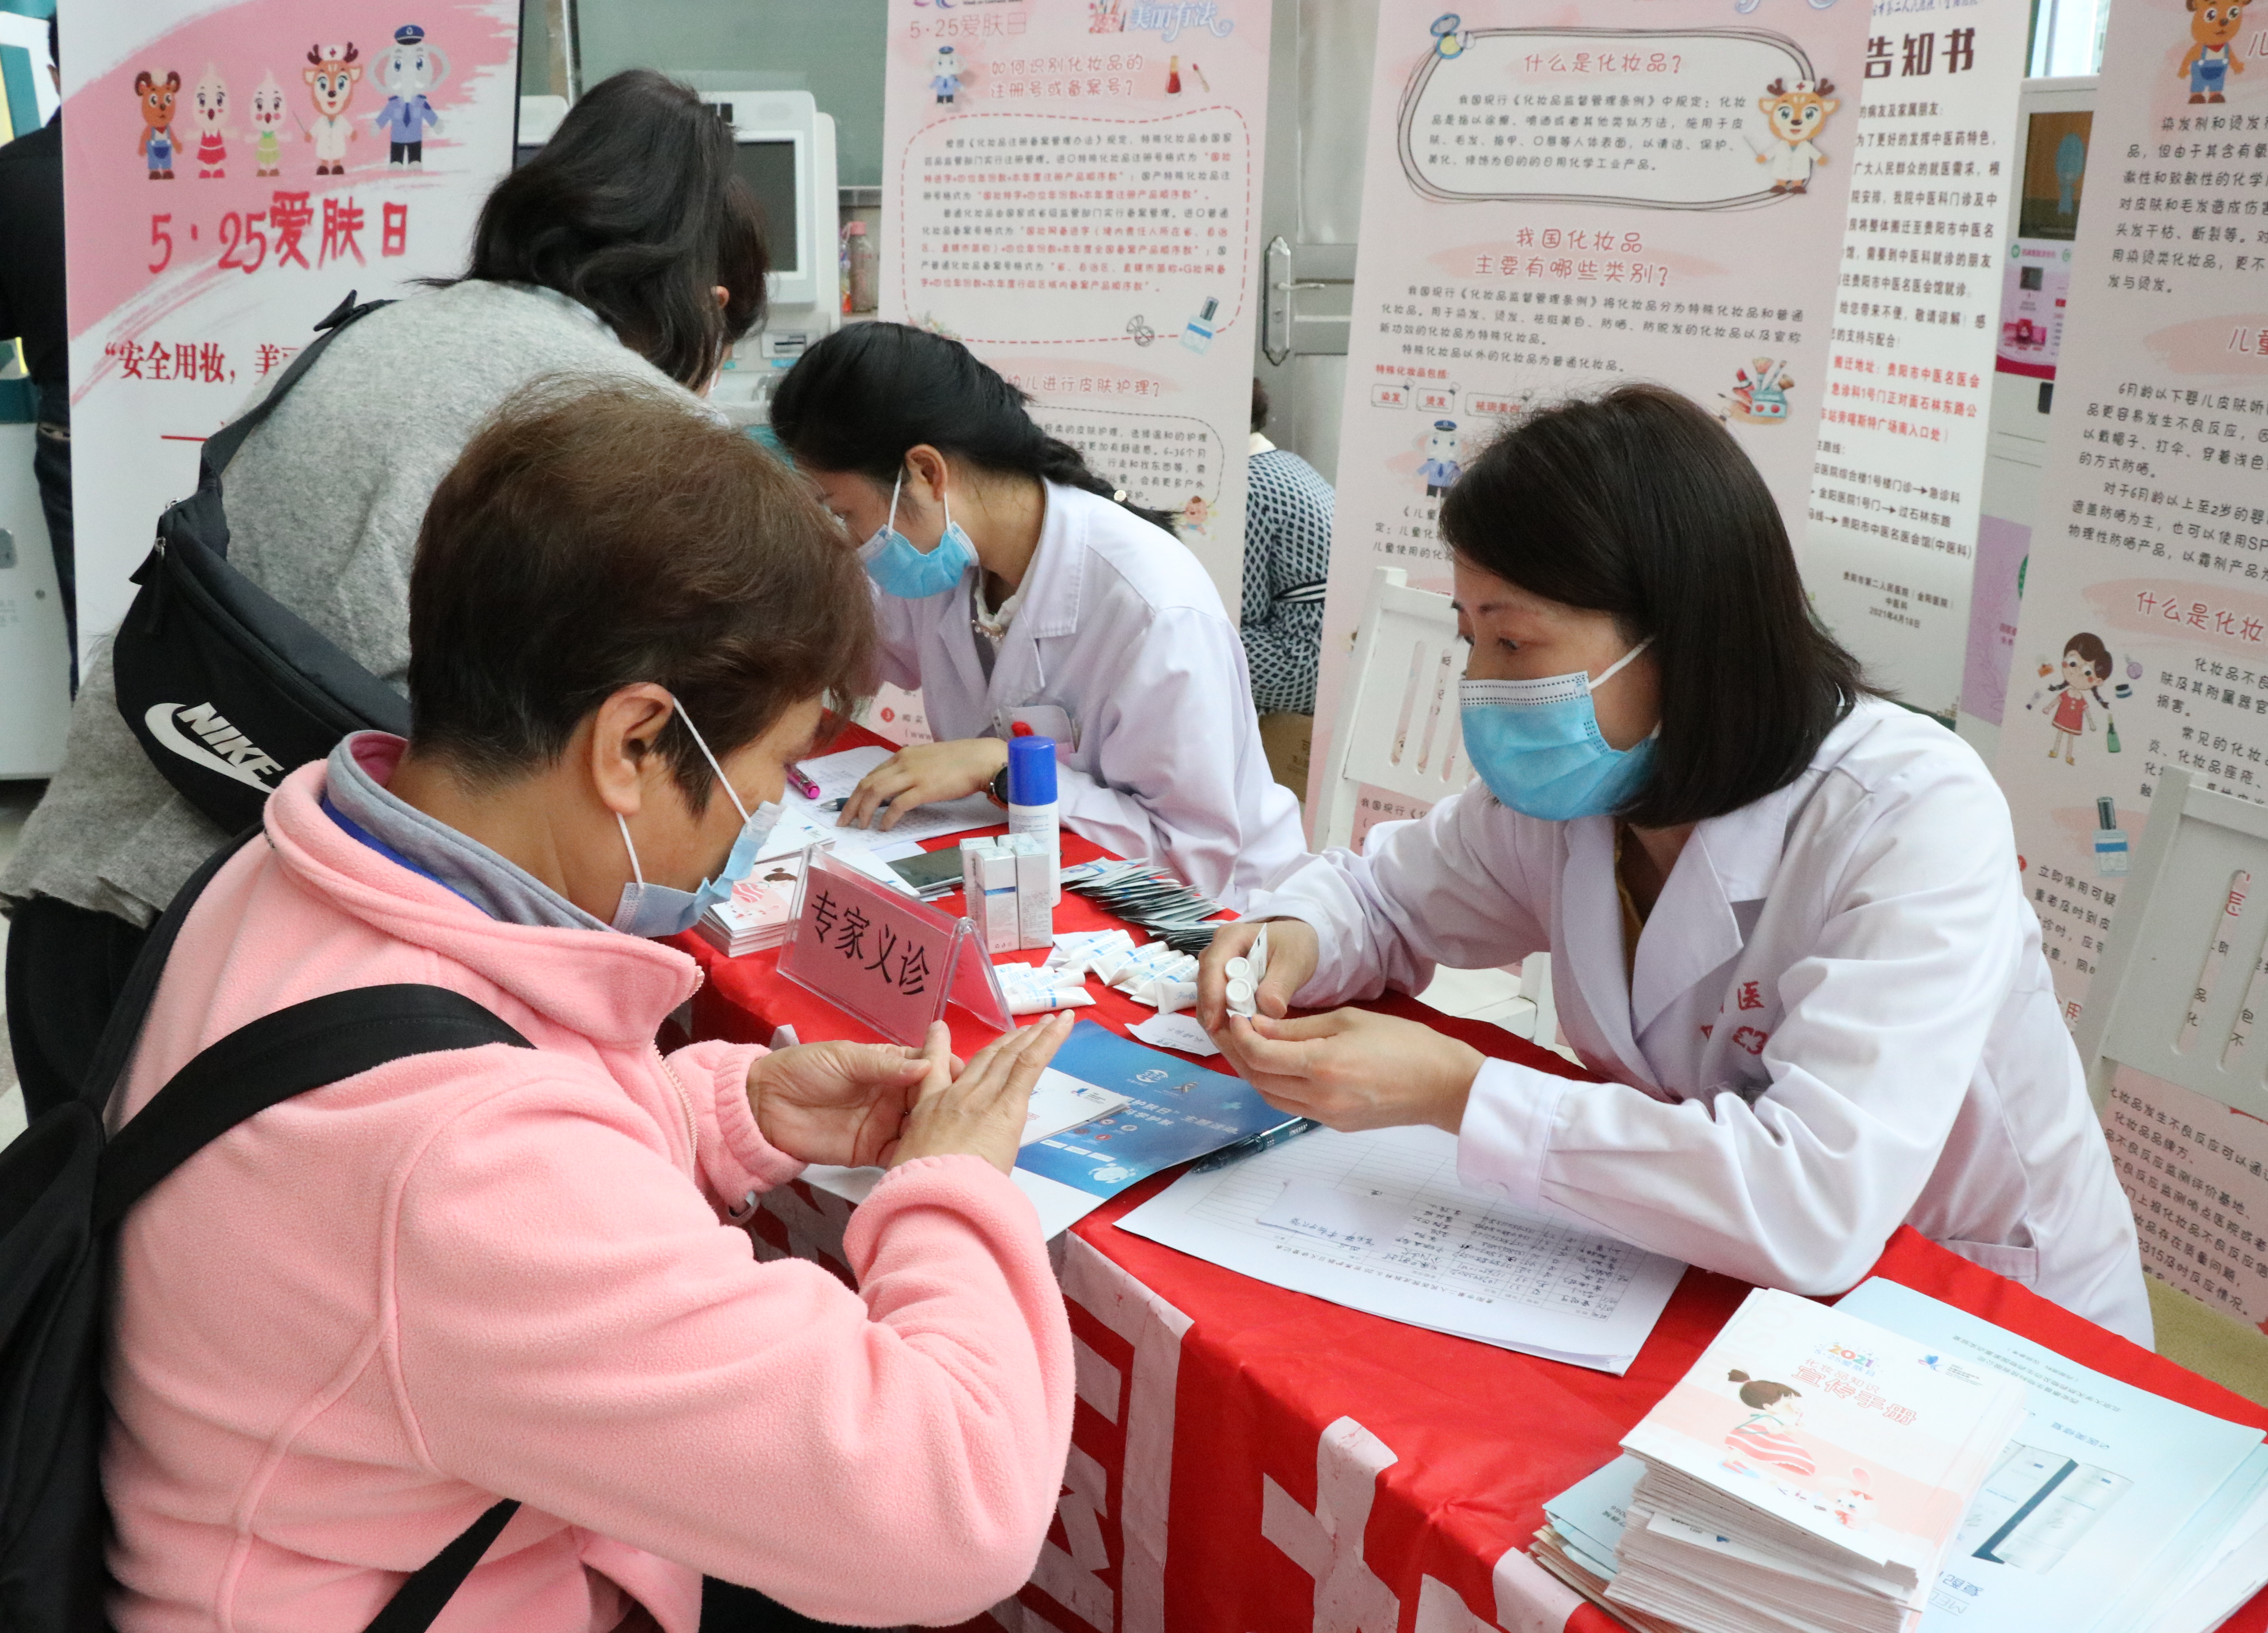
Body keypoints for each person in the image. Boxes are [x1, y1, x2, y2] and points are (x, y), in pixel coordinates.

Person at [105, 379, 1077, 1633]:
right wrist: (953, 1192)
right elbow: (950, 1508)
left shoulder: (290, 872)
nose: (764, 816)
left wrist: (726, 1105)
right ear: (631, 745)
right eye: (772, 772)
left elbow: (457, 1146)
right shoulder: (466, 1157)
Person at [1194, 384, 2150, 1345]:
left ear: (1682, 637)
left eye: (1514, 641)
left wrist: (1461, 1091)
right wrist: (1296, 936)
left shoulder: (1911, 811)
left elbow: (1814, 1201)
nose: (1481, 684)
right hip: (1715, 1279)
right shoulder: (1581, 793)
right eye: (1470, 638)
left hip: (1983, 1316)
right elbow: (1383, 896)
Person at [2, 68, 768, 1122]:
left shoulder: (374, 325)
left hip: (85, 890)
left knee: (70, 1225)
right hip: (263, 974)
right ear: (708, 299)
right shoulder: (632, 419)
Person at [769, 322, 1306, 908]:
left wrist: (1005, 770)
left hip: (1205, 920)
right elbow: (850, 656)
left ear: (926, 474)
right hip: (1031, 876)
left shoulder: (1155, 609)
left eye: (844, 513)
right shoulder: (945, 555)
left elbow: (1192, 858)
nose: (851, 540)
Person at [0, 15, 72, 685]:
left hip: (72, 421)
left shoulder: (14, 173)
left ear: (53, 73)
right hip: (206, 415)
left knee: (100, 630)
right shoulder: (197, 163)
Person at [1242, 376, 1333, 801]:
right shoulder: (1288, 465)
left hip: (1301, 661)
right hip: (1327, 653)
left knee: (1183, 636)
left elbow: (1240, 609)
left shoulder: (1250, 485)